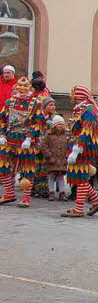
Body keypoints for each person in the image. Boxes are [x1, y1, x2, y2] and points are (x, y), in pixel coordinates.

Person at [0, 76, 46, 207]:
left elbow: (39, 122)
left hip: (26, 141)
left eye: (25, 86)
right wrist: (2, 134)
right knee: (2, 166)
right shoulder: (9, 102)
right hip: (9, 139)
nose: (22, 88)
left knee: (27, 169)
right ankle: (9, 192)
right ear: (16, 87)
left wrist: (30, 138)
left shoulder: (36, 103)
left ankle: (26, 197)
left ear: (29, 88)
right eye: (20, 86)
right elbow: (2, 119)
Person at [62, 85, 98, 217]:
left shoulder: (89, 110)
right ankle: (96, 201)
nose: (71, 97)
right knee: (79, 176)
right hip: (78, 146)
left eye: (73, 94)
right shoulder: (80, 109)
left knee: (80, 176)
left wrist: (77, 149)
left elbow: (87, 131)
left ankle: (79, 208)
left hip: (83, 148)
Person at [43, 115, 69, 201]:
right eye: (59, 124)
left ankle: (62, 192)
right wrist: (49, 156)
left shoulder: (65, 136)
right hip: (52, 159)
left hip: (62, 160)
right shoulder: (49, 135)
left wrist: (67, 156)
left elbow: (68, 147)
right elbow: (44, 146)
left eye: (62, 124)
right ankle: (51, 192)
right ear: (54, 125)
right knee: (51, 176)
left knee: (61, 177)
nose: (60, 126)